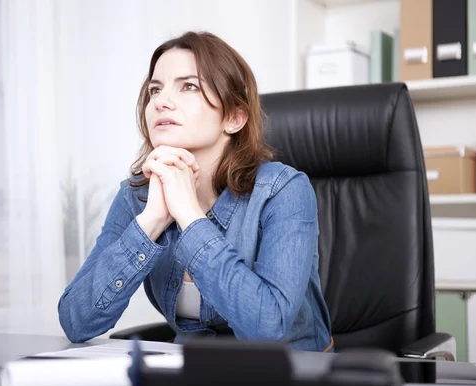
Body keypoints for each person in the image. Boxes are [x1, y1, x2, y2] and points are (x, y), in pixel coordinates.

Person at [58, 31, 333, 352]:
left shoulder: (282, 190)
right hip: (193, 374)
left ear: (234, 117)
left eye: (188, 86)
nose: (161, 101)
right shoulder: (138, 197)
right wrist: (151, 223)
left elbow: (268, 328)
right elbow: (75, 322)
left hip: (289, 374)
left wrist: (190, 218)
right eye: (154, 89)